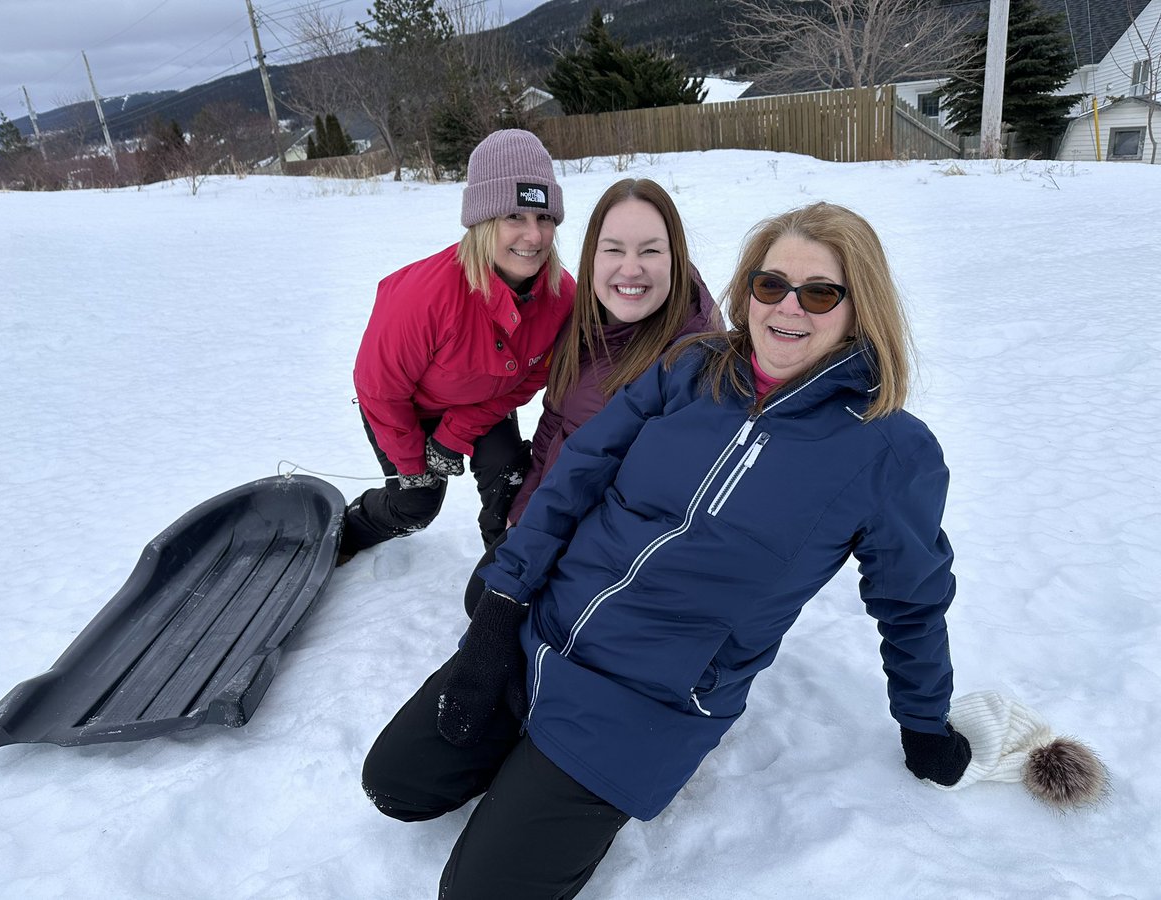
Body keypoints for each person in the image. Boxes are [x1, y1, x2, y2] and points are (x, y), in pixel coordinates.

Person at [362, 202, 973, 898]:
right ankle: (525, 748)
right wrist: (501, 610)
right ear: (747, 291)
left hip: (648, 698)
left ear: (858, 306)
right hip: (547, 631)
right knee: (394, 784)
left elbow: (912, 602)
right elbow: (572, 480)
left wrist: (924, 722)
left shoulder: (888, 447)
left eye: (820, 293)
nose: (788, 309)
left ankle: (557, 778)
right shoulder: (692, 369)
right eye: (771, 286)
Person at [462, 176, 722, 615]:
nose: (631, 268)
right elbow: (553, 424)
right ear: (592, 257)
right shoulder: (585, 322)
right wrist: (524, 511)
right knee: (480, 598)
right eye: (614, 249)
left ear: (676, 258)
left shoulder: (690, 363)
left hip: (611, 561)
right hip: (553, 519)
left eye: (651, 250)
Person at [338, 129, 576, 563]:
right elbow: (379, 390)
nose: (534, 236)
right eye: (515, 217)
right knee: (417, 506)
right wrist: (413, 466)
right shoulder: (424, 296)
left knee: (511, 480)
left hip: (483, 403)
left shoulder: (561, 298)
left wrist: (454, 435)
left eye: (544, 219)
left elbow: (531, 378)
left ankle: (503, 574)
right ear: (483, 222)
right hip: (400, 411)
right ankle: (344, 533)